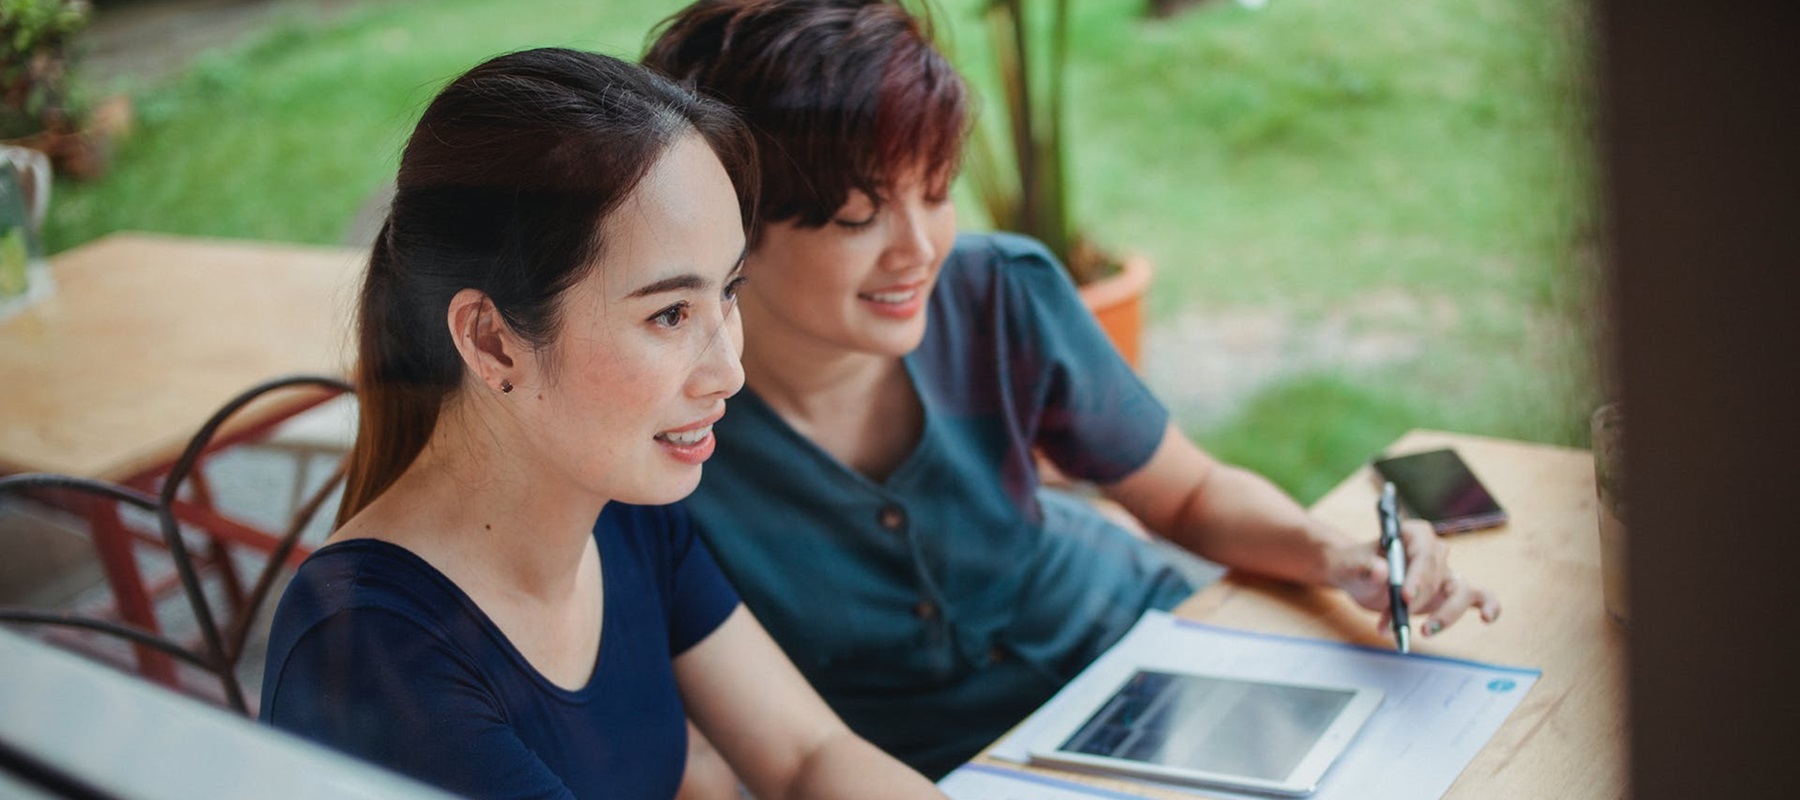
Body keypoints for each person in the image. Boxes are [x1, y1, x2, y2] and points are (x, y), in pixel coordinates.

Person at [642, 0, 1504, 782]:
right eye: (859, 217)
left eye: (936, 192)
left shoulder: (998, 292)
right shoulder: (659, 441)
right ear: (731, 224)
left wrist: (1337, 555)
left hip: (1157, 647)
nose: (918, 249)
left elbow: (1192, 493)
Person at [259, 47, 944, 800]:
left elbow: (807, 754)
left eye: (730, 292)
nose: (729, 372)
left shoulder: (619, 512)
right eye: (671, 313)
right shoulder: (376, 655)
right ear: (492, 341)